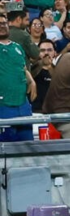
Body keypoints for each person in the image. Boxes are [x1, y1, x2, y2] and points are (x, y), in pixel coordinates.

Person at [0, 13, 36, 142]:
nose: (2, 26)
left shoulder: (17, 47)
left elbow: (23, 68)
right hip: (4, 104)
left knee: (28, 143)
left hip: (22, 104)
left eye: (4, 23)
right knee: (6, 146)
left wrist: (31, 81)